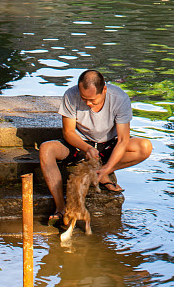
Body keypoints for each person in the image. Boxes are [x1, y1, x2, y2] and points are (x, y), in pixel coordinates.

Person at [39, 69, 152, 223]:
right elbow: (68, 132)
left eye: (93, 100)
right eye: (84, 98)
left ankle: (103, 173)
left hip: (108, 144)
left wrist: (108, 167)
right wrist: (86, 148)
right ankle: (60, 207)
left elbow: (123, 140)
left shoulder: (119, 98)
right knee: (46, 149)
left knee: (145, 146)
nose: (88, 104)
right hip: (79, 144)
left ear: (104, 89)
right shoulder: (70, 95)